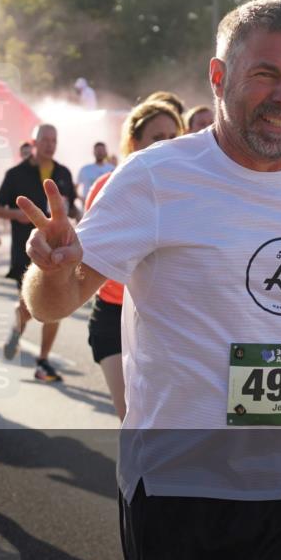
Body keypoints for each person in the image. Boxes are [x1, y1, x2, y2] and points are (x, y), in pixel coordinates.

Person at [18, 0, 281, 560]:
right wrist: (51, 268)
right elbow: (50, 303)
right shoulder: (155, 178)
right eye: (266, 75)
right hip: (183, 487)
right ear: (218, 76)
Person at [84, 101, 184, 420]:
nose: (167, 143)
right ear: (135, 142)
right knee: (132, 415)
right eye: (157, 137)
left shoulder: (192, 191)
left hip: (168, 319)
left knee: (170, 420)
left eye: (173, 135)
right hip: (114, 315)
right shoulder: (110, 185)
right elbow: (88, 255)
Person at [0, 123, 78, 382]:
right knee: (27, 304)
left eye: (54, 140)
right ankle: (16, 332)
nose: (50, 144)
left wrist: (75, 215)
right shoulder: (16, 173)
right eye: (46, 139)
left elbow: (71, 208)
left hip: (58, 250)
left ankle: (43, 360)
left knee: (56, 303)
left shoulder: (62, 172)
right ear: (35, 141)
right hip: (26, 251)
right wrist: (14, 214)